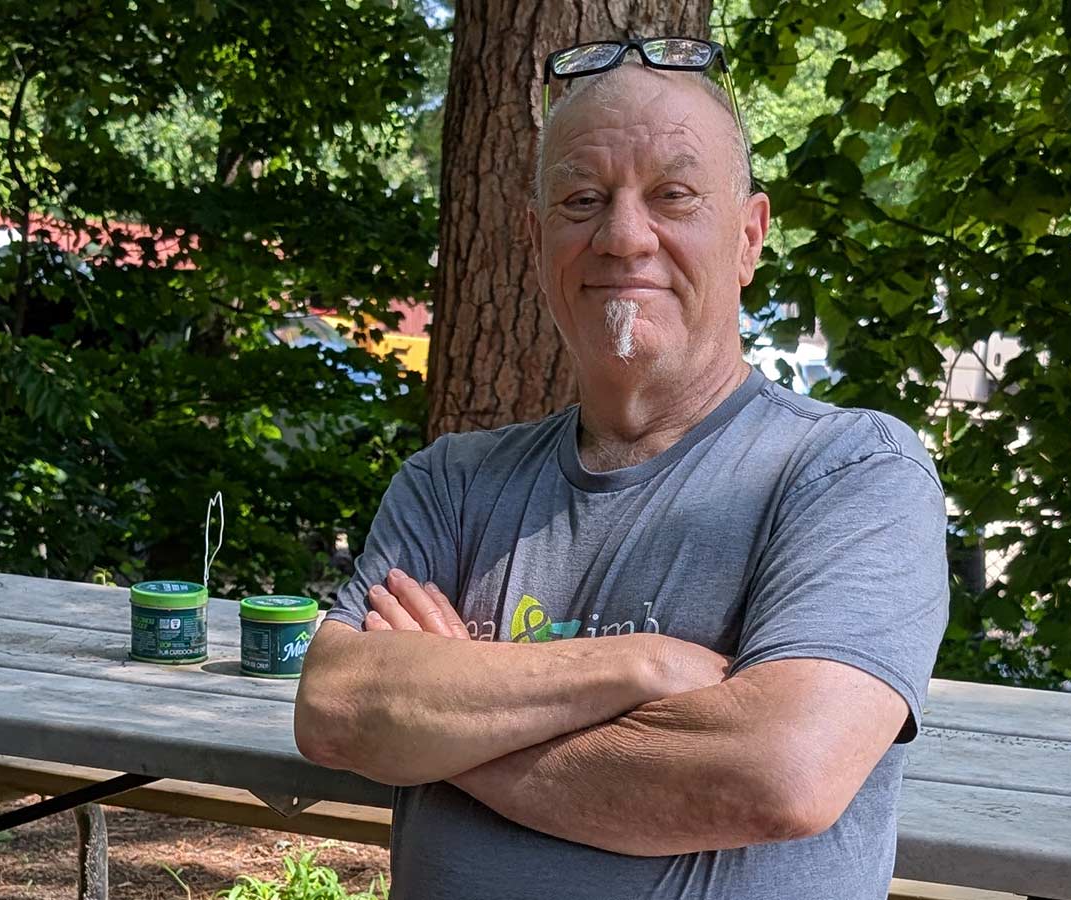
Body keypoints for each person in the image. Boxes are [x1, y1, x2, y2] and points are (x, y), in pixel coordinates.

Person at [293, 36, 947, 900]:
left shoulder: (852, 471)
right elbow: (337, 709)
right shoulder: (451, 481)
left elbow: (775, 774)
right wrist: (635, 667)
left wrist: (446, 726)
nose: (623, 237)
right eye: (581, 199)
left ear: (749, 237)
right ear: (536, 241)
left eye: (672, 196)